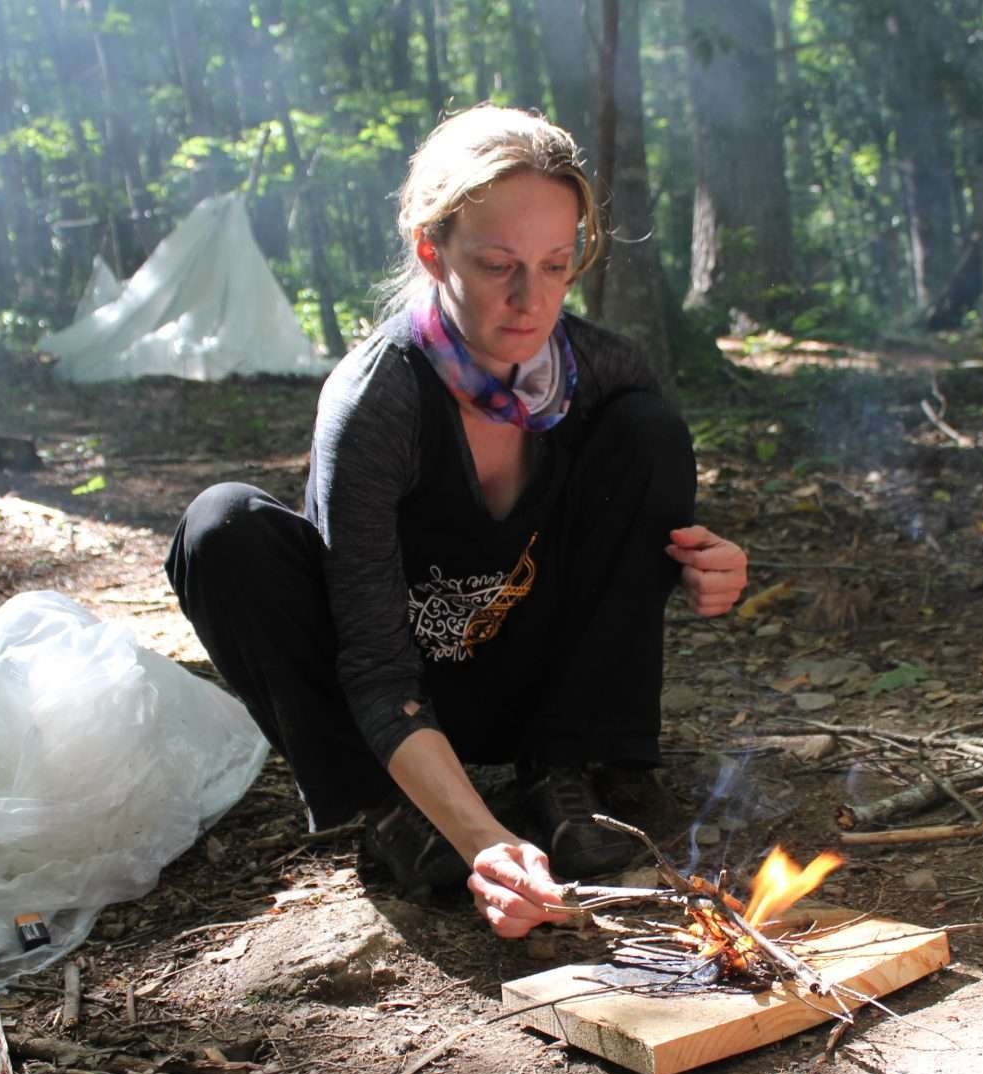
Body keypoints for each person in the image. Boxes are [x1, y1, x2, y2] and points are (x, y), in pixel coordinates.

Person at [164, 106, 749, 939]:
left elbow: (624, 529)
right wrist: (486, 843)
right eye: (498, 265)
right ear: (430, 249)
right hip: (400, 703)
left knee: (648, 430)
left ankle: (565, 766)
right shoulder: (378, 402)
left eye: (555, 265)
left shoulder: (605, 369)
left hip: (532, 677)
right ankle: (393, 808)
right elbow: (372, 667)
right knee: (219, 528)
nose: (530, 300)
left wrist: (704, 560)